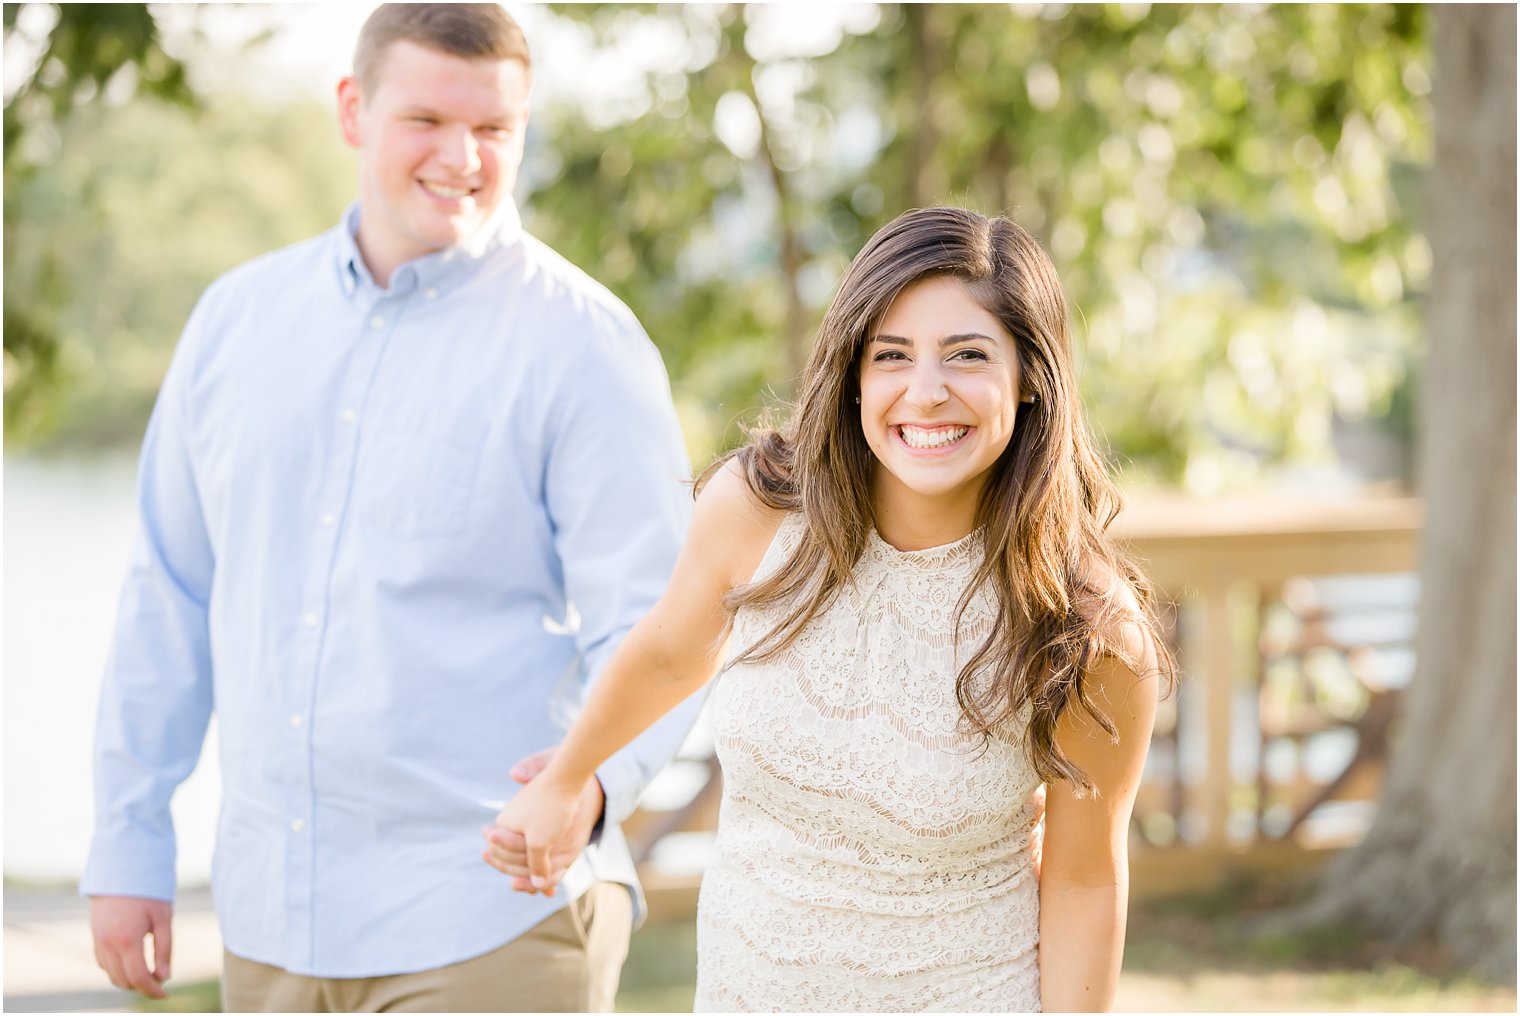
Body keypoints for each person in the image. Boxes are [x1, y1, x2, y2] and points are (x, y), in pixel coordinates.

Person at [83, 4, 702, 1011]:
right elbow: (170, 591)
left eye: (494, 129)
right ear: (352, 110)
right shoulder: (235, 322)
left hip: (496, 911)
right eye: (425, 119)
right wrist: (129, 836)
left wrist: (591, 785)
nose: (462, 156)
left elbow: (662, 621)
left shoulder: (583, 345)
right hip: (273, 918)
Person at [485, 207, 1175, 1012]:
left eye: (967, 355)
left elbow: (1086, 881)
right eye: (892, 356)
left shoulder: (1085, 629)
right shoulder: (759, 510)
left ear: (1029, 379)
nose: (926, 392)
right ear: (852, 373)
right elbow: (671, 651)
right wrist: (567, 779)